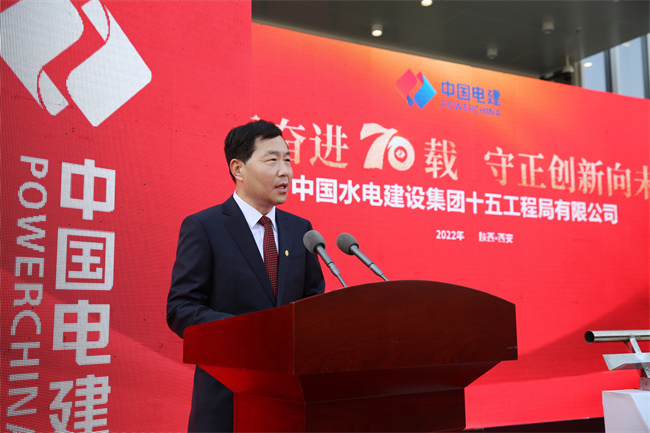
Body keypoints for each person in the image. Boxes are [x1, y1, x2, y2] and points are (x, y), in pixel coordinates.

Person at [166, 119, 325, 432]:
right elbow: (180, 308)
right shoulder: (205, 227)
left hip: (290, 404)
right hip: (227, 402)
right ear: (238, 168)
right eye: (272, 160)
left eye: (288, 160)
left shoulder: (301, 230)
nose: (285, 171)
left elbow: (314, 304)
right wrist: (248, 334)